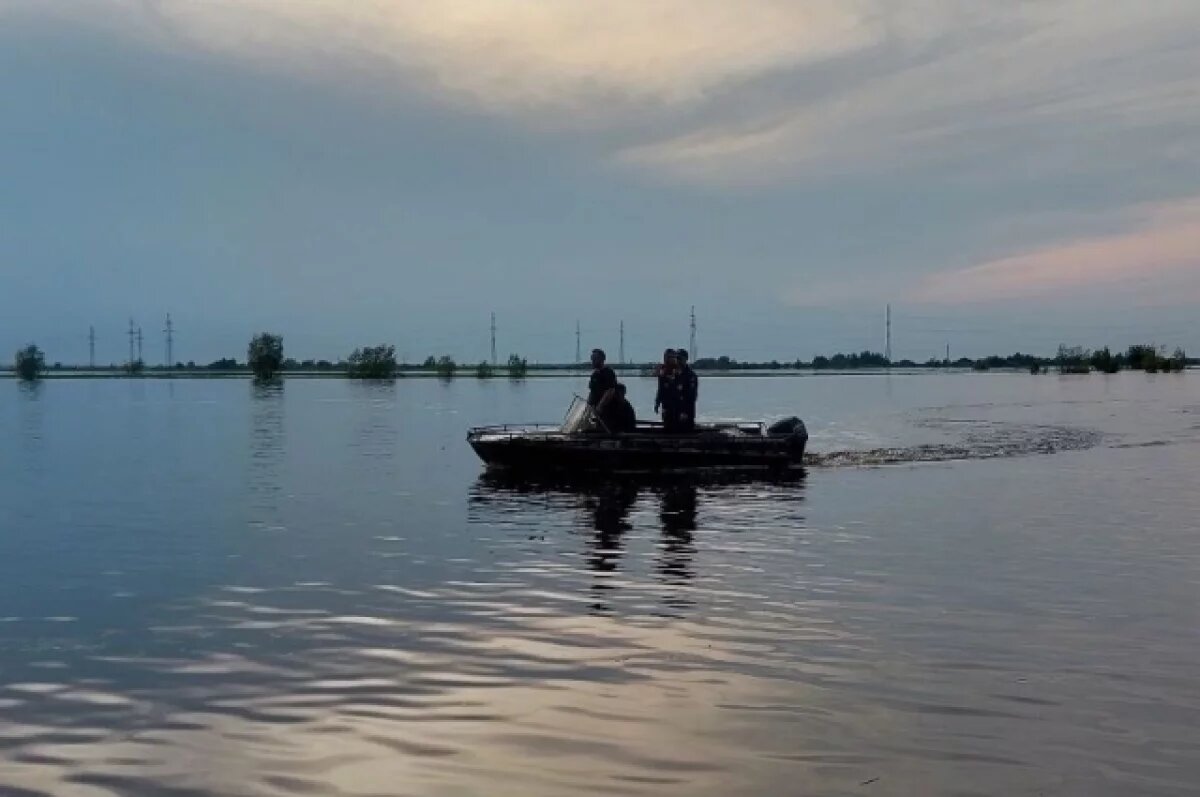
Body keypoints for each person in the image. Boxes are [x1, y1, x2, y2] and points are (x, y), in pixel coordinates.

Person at [587, 348, 618, 430]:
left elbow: (610, 390)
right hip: (596, 409)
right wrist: (588, 406)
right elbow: (592, 391)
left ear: (602, 359)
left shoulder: (608, 372)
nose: (593, 361)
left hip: (608, 409)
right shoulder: (594, 375)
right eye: (592, 359)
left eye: (595, 359)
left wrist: (600, 405)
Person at [654, 348, 684, 432]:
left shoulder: (679, 371)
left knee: (677, 426)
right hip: (666, 404)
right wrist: (657, 403)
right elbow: (660, 389)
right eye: (667, 357)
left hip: (677, 405)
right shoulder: (663, 371)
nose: (669, 359)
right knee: (667, 424)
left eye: (671, 357)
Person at [676, 348, 699, 432]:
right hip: (675, 413)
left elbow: (691, 396)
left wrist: (684, 412)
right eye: (677, 358)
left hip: (687, 413)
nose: (678, 361)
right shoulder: (675, 374)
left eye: (680, 359)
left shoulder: (690, 376)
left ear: (686, 359)